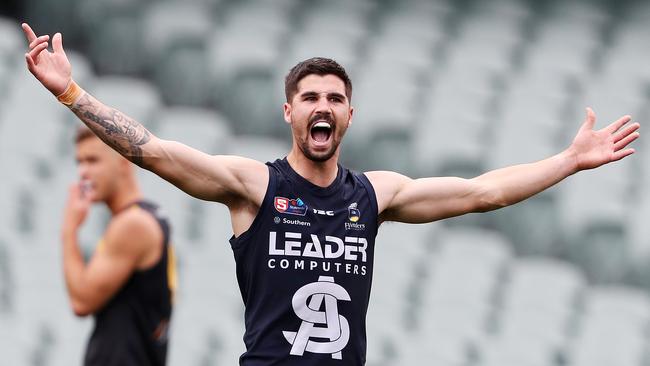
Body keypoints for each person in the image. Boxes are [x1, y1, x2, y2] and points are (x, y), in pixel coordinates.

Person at [22, 23, 639, 365]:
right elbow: (150, 149)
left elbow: (482, 193)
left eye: (335, 99)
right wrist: (71, 95)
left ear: (350, 115)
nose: (323, 107)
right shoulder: (253, 187)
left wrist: (567, 160)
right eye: (311, 97)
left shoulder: (375, 194)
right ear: (288, 110)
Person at [61, 125, 176, 366]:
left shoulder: (132, 224)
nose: (83, 172)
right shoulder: (149, 215)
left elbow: (81, 302)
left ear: (124, 161)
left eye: (93, 160)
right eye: (79, 162)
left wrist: (69, 229)